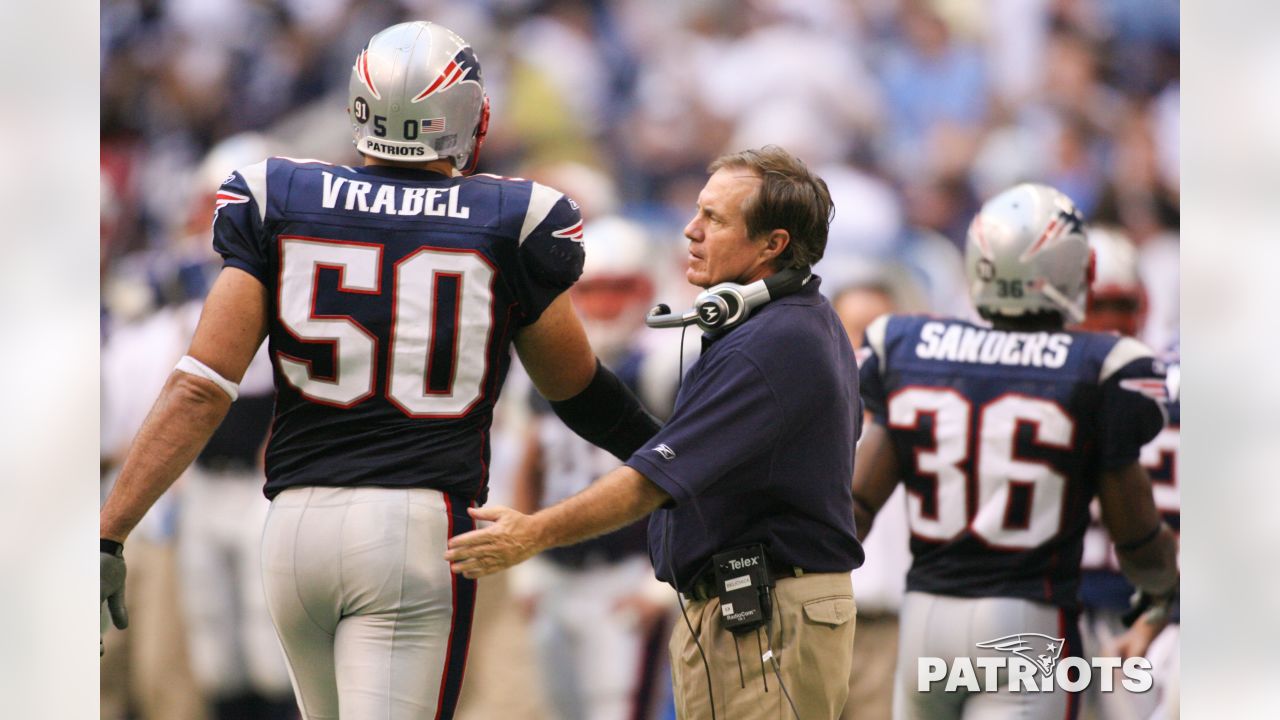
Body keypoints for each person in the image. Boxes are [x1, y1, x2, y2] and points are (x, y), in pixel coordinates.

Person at [99, 20, 661, 720]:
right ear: (465, 115)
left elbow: (200, 386)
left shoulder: (284, 199)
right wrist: (673, 460)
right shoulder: (507, 220)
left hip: (294, 526)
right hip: (412, 529)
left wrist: (108, 529)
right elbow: (578, 391)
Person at [446, 145, 864, 720]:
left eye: (715, 219)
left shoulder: (776, 342)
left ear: (774, 244)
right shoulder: (784, 325)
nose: (690, 231)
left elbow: (652, 480)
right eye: (698, 211)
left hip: (764, 611)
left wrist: (531, 535)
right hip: (743, 606)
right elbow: (662, 449)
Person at [851, 183, 1179, 720]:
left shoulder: (907, 346)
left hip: (924, 621)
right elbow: (1135, 532)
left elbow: (856, 507)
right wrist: (1163, 587)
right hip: (1026, 622)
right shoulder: (1105, 366)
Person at [510, 215, 677, 720]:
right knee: (564, 708)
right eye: (594, 290)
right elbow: (530, 460)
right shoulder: (544, 361)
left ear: (646, 288)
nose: (605, 305)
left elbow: (693, 475)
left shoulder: (663, 367)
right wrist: (529, 566)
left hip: (626, 570)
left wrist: (661, 581)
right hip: (559, 571)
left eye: (619, 289)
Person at [1074, 227, 1181, 720]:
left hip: (1143, 606)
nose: (1112, 322)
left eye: (1122, 304)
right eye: (1102, 304)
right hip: (1067, 601)